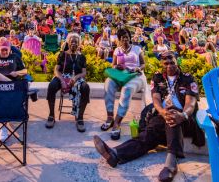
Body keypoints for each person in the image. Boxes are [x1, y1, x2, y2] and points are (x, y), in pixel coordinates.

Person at [93, 51, 201, 182]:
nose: (169, 65)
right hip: (162, 115)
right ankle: (115, 154)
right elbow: (155, 99)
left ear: (177, 61)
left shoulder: (188, 78)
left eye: (172, 62)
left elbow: (191, 103)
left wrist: (182, 115)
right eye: (166, 63)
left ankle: (171, 163)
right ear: (161, 63)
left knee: (172, 115)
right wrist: (162, 112)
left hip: (186, 119)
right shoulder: (158, 77)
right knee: (148, 135)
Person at [101, 28, 146, 140]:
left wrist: (137, 68)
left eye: (126, 37)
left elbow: (143, 64)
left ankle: (117, 122)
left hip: (136, 75)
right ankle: (110, 117)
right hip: (121, 75)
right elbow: (113, 65)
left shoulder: (137, 49)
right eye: (122, 38)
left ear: (129, 37)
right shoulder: (117, 50)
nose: (125, 40)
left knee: (126, 89)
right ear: (119, 40)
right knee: (108, 84)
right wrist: (117, 67)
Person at [45, 33, 90, 132]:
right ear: (68, 42)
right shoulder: (62, 54)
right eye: (71, 41)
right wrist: (62, 80)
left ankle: (80, 118)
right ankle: (51, 115)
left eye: (76, 41)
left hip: (76, 78)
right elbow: (56, 70)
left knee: (85, 87)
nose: (73, 43)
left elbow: (84, 73)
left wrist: (75, 78)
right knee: (52, 86)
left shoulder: (82, 57)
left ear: (79, 43)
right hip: (63, 76)